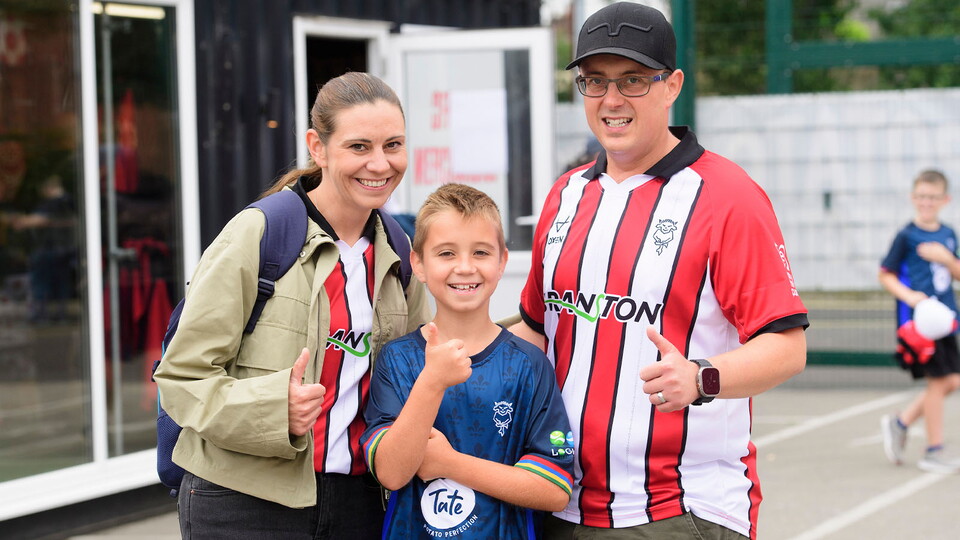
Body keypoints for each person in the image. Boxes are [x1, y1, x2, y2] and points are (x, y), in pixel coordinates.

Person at [508, 3, 809, 538]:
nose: (611, 100)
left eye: (632, 81)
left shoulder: (727, 196)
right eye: (594, 82)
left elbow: (786, 348)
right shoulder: (567, 193)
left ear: (672, 85)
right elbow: (537, 327)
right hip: (556, 499)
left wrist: (701, 377)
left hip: (678, 508)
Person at [153, 71, 431, 539]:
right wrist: (270, 409)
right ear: (317, 147)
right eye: (359, 147)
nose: (380, 164)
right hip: (243, 503)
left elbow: (413, 371)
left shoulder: (398, 249)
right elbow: (181, 378)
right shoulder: (258, 234)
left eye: (394, 145)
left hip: (361, 504)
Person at [360, 183, 575, 538]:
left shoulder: (528, 364)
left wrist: (449, 463)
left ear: (502, 261)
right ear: (418, 263)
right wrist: (432, 381)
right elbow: (392, 472)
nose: (464, 267)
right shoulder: (397, 360)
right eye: (446, 253)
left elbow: (554, 489)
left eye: (480, 253)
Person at [879, 169, 960, 474]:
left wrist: (946, 259)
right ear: (914, 198)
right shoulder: (906, 235)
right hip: (922, 322)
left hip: (946, 318)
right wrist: (910, 296)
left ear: (945, 199)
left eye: (933, 197)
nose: (927, 202)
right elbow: (884, 273)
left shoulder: (948, 234)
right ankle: (933, 450)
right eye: (922, 196)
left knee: (953, 380)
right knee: (938, 383)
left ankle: (901, 423)